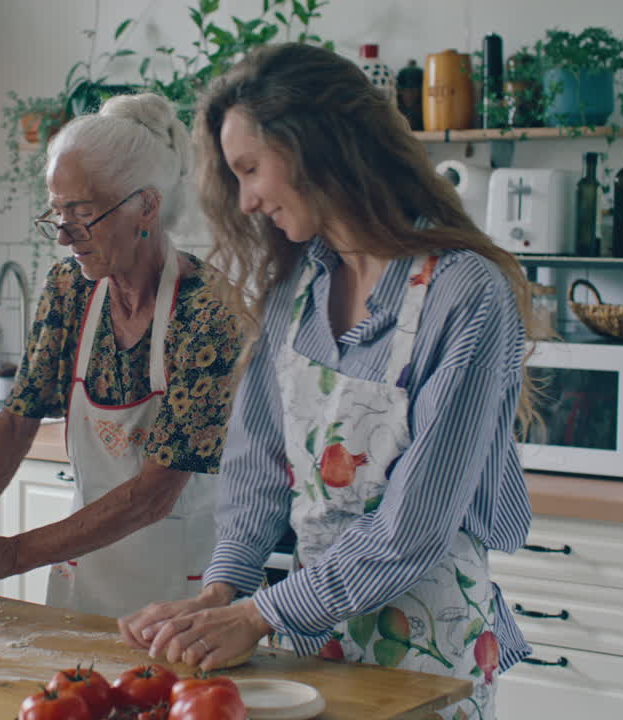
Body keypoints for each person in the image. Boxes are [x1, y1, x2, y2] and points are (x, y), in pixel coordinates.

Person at [119, 44, 536, 719]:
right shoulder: (296, 290)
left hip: (429, 653)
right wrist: (223, 590)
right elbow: (256, 466)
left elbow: (416, 524)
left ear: (315, 146)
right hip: (313, 642)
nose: (248, 200)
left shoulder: (467, 293)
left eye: (251, 169)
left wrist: (260, 614)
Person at [0, 93, 244, 619]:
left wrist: (12, 554)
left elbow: (154, 495)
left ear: (147, 205)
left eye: (83, 212)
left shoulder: (210, 313)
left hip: (185, 590)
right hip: (82, 570)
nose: (65, 234)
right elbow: (18, 418)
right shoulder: (71, 289)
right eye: (56, 212)